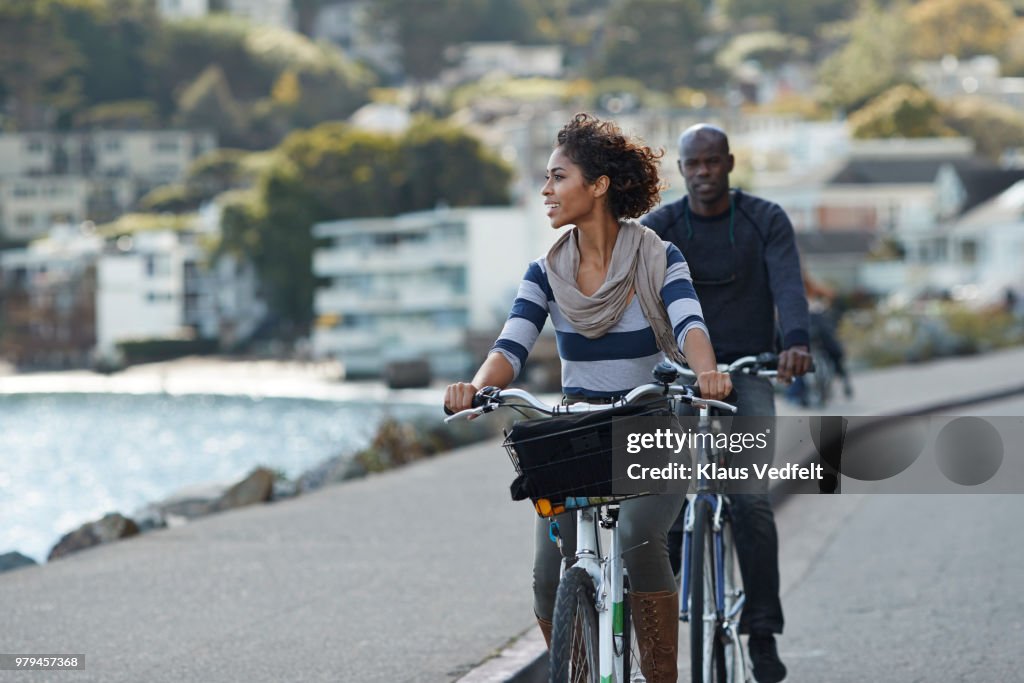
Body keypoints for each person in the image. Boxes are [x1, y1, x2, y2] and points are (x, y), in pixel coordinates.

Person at [444, 113, 732, 683]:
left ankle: (659, 676)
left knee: (638, 537)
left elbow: (689, 321)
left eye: (557, 177)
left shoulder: (657, 256)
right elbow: (511, 344)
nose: (546, 191)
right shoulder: (546, 272)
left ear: (597, 185)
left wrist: (707, 373)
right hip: (576, 432)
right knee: (547, 579)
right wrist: (476, 388)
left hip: (649, 421)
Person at [641, 123, 811, 683]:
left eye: (712, 162)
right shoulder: (661, 228)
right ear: (682, 169)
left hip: (748, 371)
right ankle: (661, 624)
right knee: (661, 503)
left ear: (730, 164)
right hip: (683, 377)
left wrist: (795, 342)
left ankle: (761, 633)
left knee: (750, 501)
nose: (703, 173)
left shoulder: (765, 220)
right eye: (693, 164)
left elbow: (788, 283)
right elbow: (636, 292)